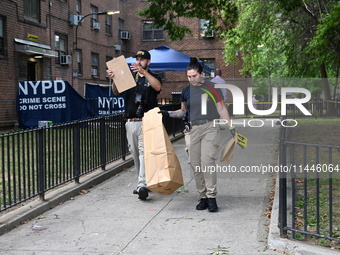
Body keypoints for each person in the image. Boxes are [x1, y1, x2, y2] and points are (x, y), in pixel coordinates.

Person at [159, 58, 235, 212]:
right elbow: (183, 112)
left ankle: (212, 196)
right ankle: (203, 197)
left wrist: (231, 127)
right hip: (193, 130)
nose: (191, 79)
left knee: (207, 161)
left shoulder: (213, 88)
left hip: (210, 127)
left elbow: (221, 109)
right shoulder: (186, 91)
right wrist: (167, 113)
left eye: (194, 76)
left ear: (201, 74)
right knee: (196, 165)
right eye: (188, 76)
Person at [106, 50, 162, 200]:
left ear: (148, 62)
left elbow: (157, 87)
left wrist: (145, 73)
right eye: (137, 59)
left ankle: (141, 184)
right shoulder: (130, 78)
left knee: (144, 153)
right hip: (130, 122)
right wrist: (114, 79)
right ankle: (143, 182)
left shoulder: (153, 77)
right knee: (135, 153)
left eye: (142, 60)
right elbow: (117, 92)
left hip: (147, 121)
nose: (138, 62)